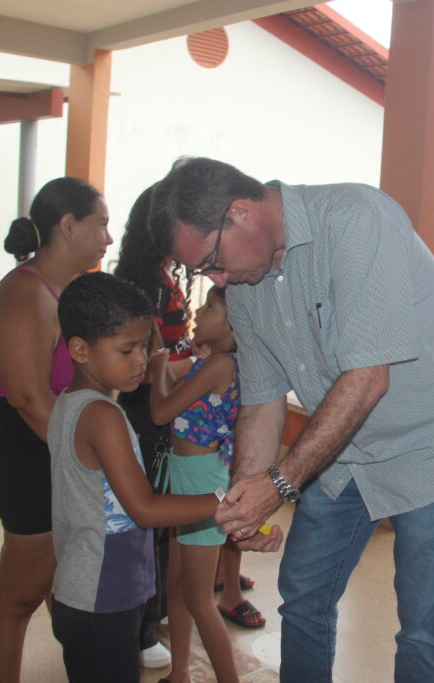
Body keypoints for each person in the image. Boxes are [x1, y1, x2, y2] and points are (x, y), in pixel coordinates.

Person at [147, 157, 434, 681]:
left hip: (432, 446)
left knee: (422, 626)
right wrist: (249, 495)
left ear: (241, 213)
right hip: (346, 451)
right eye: (203, 272)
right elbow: (263, 398)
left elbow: (368, 378)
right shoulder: (246, 286)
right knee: (303, 599)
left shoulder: (355, 219)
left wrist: (279, 482)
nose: (217, 280)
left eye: (211, 263)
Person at [48, 272, 276, 682]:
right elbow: (145, 508)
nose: (141, 359)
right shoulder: (102, 417)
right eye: (127, 349)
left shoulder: (69, 403)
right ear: (80, 350)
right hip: (104, 592)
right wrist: (230, 506)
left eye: (144, 347)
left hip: (84, 586)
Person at [0, 177, 111, 682]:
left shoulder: (63, 292)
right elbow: (29, 398)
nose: (108, 237)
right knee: (17, 597)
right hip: (31, 460)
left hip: (54, 455)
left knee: (62, 587)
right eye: (101, 223)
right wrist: (90, 459)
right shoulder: (24, 294)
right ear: (68, 225)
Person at [148, 286, 252, 683]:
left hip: (201, 480)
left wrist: (159, 366)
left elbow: (160, 412)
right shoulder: (209, 360)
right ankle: (179, 673)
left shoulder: (220, 365)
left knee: (198, 597)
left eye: (210, 307)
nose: (198, 310)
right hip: (185, 474)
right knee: (176, 585)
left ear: (233, 324)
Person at [114, 185, 193, 670]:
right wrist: (201, 367)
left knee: (155, 521)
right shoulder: (148, 284)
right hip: (145, 411)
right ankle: (141, 629)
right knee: (146, 519)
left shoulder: (153, 275)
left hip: (154, 407)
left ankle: (149, 615)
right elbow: (148, 364)